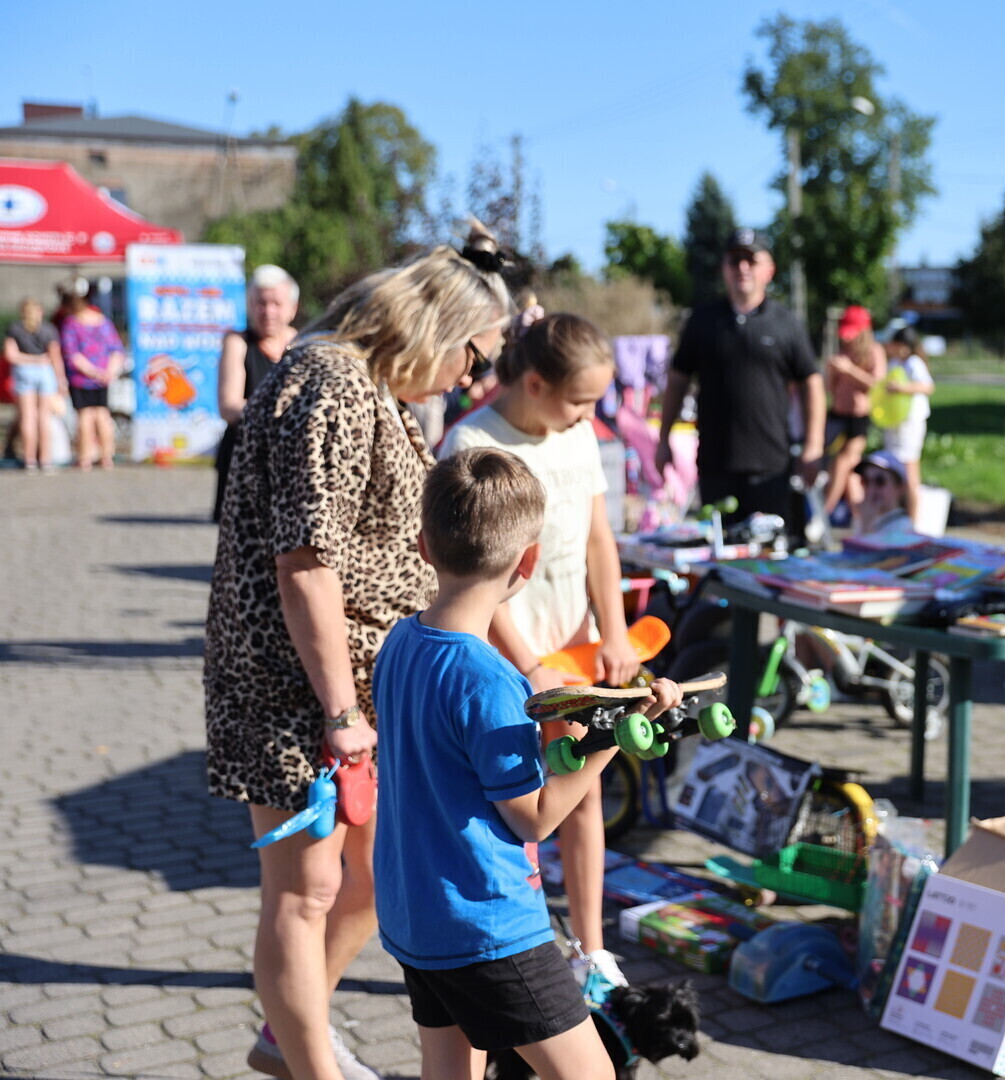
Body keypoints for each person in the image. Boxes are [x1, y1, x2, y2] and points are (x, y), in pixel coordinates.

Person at [205, 222, 511, 1080]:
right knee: (304, 896)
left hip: (348, 689)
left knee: (373, 880)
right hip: (297, 691)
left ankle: (286, 1031)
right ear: (437, 328)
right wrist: (341, 713)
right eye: (475, 355)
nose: (472, 378)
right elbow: (306, 559)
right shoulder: (333, 382)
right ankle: (308, 1065)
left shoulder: (368, 383)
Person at [373, 447, 681, 1080]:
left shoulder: (400, 643)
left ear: (424, 544)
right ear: (530, 561)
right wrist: (615, 739)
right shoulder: (490, 680)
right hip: (488, 925)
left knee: (450, 1071)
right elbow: (534, 818)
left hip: (417, 916)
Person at [437, 312, 634, 987]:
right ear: (535, 381)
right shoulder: (473, 443)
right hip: (510, 660)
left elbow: (598, 542)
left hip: (575, 650)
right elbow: (475, 581)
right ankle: (509, 951)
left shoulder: (577, 436)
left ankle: (590, 947)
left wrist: (614, 632)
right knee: (518, 801)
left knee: (583, 796)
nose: (590, 414)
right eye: (581, 399)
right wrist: (527, 663)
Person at [655, 227, 824, 534]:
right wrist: (663, 437)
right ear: (724, 268)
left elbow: (811, 383)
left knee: (769, 555)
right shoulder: (704, 321)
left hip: (771, 466)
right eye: (734, 261)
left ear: (768, 270)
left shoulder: (785, 323)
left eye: (750, 260)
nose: (742, 268)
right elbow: (678, 379)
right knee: (721, 555)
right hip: (716, 465)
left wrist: (813, 445)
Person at [215, 266, 300, 521]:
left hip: (291, 462)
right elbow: (229, 407)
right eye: (261, 303)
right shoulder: (237, 342)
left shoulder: (304, 343)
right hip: (245, 459)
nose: (268, 311)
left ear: (293, 308)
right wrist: (287, 413)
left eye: (276, 303)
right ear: (250, 305)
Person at [822, 304, 885, 519]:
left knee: (843, 463)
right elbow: (830, 389)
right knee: (848, 472)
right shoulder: (843, 352)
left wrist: (850, 370)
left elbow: (877, 385)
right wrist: (832, 373)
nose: (848, 339)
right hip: (838, 415)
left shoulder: (874, 351)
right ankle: (861, 519)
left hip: (859, 418)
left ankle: (822, 515)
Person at [59, 289, 127, 470]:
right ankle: (107, 457)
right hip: (103, 377)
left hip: (82, 378)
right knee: (102, 415)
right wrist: (108, 373)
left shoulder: (71, 324)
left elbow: (72, 355)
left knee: (86, 416)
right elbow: (117, 350)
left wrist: (94, 372)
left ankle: (85, 458)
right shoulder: (103, 322)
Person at [4, 298, 69, 471]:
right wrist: (61, 380)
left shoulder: (15, 328)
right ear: (40, 311)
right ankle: (45, 459)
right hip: (45, 371)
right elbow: (55, 356)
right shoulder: (49, 329)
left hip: (23, 371)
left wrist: (28, 360)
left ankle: (29, 460)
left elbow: (11, 355)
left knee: (27, 417)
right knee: (43, 417)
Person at [878, 326, 934, 520]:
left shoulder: (914, 363)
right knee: (893, 470)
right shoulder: (894, 363)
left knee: (910, 474)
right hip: (894, 422)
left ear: (902, 346)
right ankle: (897, 516)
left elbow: (927, 386)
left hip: (910, 423)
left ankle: (914, 521)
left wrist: (901, 388)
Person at [851, 449, 913, 536]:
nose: (871, 489)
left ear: (899, 487)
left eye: (880, 481)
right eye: (866, 481)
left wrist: (866, 525)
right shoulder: (866, 517)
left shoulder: (901, 527)